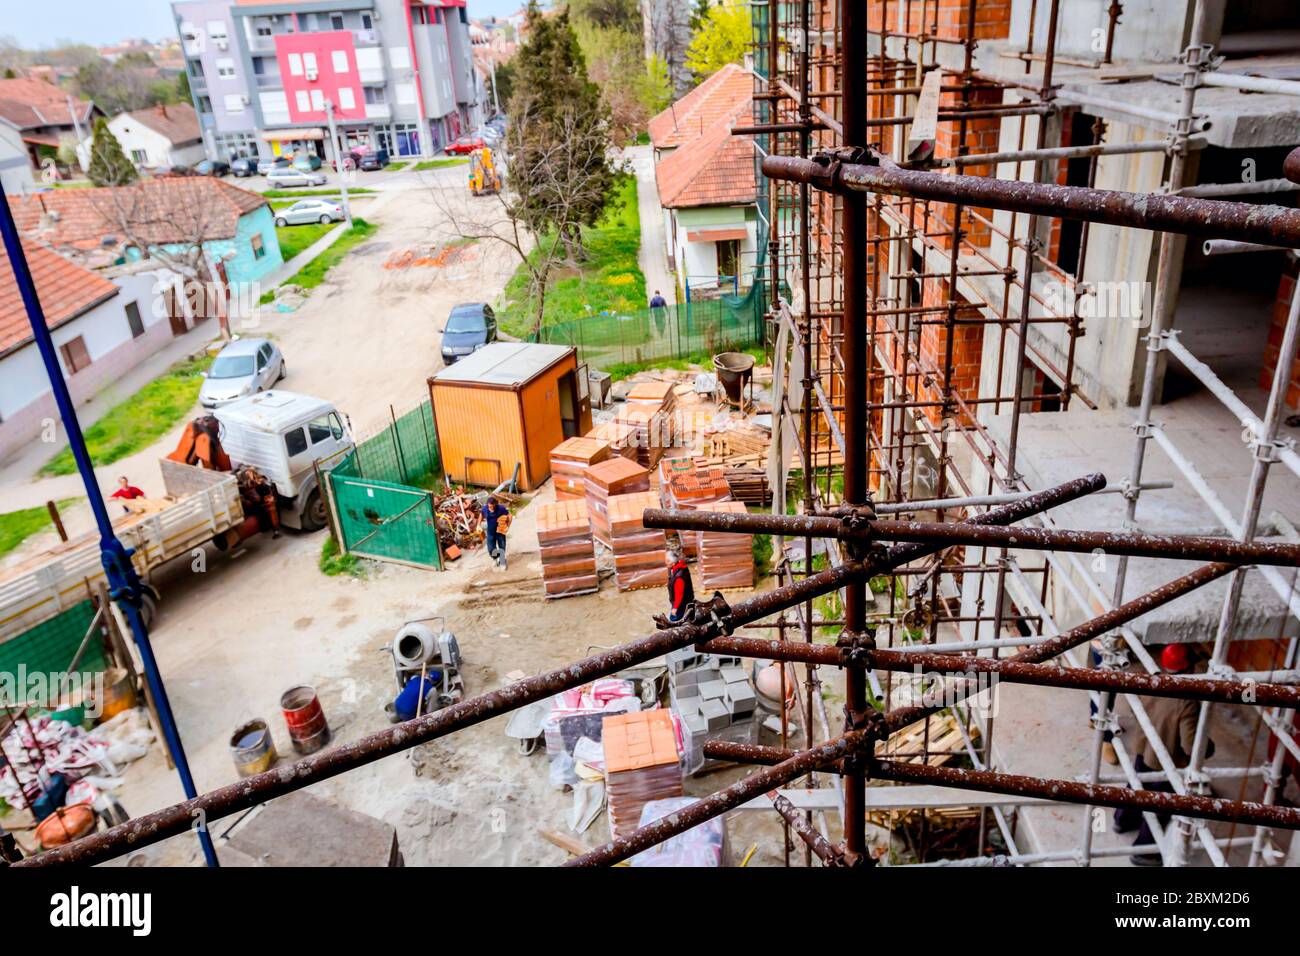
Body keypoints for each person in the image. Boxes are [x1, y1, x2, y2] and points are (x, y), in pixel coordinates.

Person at [1113, 643, 1214, 866]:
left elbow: (1135, 709)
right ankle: (1145, 852)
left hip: (1144, 750)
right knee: (1160, 806)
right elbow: (1190, 746)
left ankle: (1122, 820)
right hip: (1166, 762)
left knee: (1136, 789)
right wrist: (1207, 747)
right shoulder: (1186, 701)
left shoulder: (1153, 680)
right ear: (1188, 669)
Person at [665, 547, 695, 623]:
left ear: (673, 562)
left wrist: (675, 608)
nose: (666, 562)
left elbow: (679, 594)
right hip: (685, 602)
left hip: (682, 605)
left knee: (673, 620)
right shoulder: (678, 567)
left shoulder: (679, 577)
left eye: (668, 561)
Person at [482, 495, 509, 569]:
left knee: (502, 547)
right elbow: (481, 515)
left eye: (492, 506)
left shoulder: (501, 508)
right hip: (490, 532)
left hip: (500, 531)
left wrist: (507, 526)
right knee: (491, 548)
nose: (490, 507)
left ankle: (502, 561)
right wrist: (478, 524)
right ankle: (495, 558)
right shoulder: (485, 508)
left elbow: (509, 516)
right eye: (489, 506)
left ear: (495, 504)